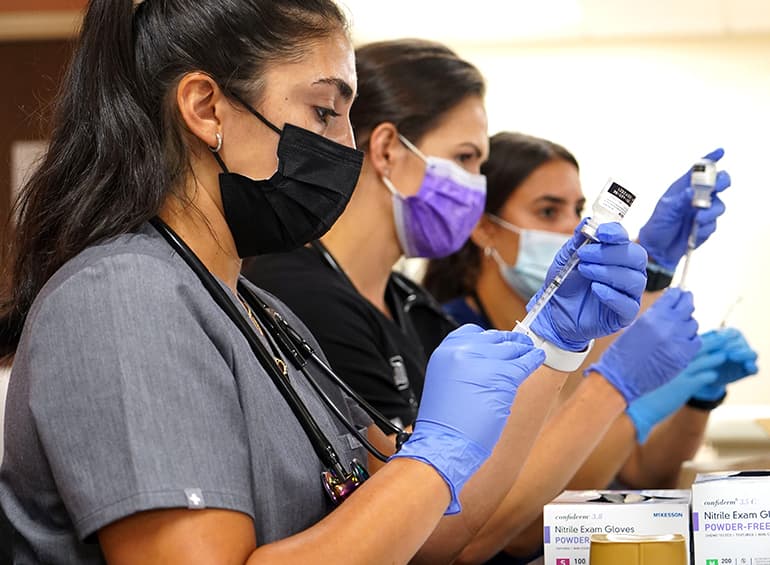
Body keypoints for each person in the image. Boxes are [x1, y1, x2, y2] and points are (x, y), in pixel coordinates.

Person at [0, 2, 564, 562]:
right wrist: (434, 455)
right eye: (323, 111)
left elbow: (429, 535)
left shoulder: (263, 313)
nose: (348, 146)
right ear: (206, 108)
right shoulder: (123, 299)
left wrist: (556, 345)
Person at [243, 41, 702, 564]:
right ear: (389, 150)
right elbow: (453, 532)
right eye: (465, 158)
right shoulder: (303, 299)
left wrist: (560, 347)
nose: (474, 188)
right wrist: (608, 383)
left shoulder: (407, 300)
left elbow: (493, 479)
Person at [423, 132, 758, 563]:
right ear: (485, 226)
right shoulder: (455, 340)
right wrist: (619, 389)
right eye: (548, 210)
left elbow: (639, 471)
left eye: (578, 209)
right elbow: (519, 529)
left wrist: (656, 265)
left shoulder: (573, 334)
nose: (574, 226)